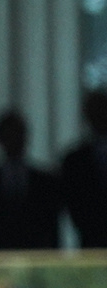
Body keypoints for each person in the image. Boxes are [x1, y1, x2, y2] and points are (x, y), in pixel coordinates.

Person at [0, 110, 63, 251]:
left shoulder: (47, 182)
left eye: (18, 134)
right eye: (9, 135)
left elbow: (53, 233)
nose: (14, 140)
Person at [58, 88, 107, 248]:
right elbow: (73, 205)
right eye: (95, 111)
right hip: (90, 242)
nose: (100, 116)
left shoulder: (73, 159)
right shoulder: (74, 160)